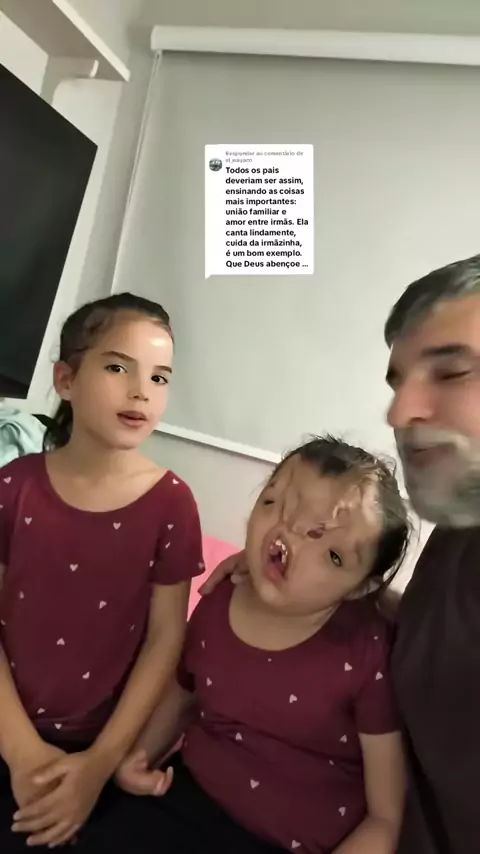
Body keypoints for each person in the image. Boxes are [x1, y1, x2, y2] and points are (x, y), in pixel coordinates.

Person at [206, 254, 480, 854]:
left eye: (452, 372)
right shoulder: (461, 524)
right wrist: (310, 581)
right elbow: (438, 636)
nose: (399, 413)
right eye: (398, 381)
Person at [112, 436, 408, 854]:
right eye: (274, 504)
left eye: (333, 554)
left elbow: (385, 818)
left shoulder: (366, 653)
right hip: (187, 798)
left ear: (362, 587)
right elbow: (185, 693)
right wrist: (139, 756)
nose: (289, 538)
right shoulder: (219, 595)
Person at [0, 293, 204, 850]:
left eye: (159, 377)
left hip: (106, 743)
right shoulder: (14, 487)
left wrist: (99, 766)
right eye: (118, 368)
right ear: (66, 380)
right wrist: (20, 751)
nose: (142, 391)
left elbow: (166, 639)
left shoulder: (171, 503)